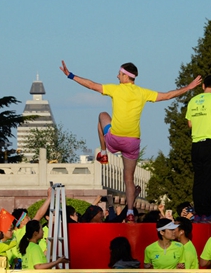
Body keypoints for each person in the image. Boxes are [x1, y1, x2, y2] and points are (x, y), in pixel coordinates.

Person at [60, 60, 202, 222]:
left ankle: (104, 152)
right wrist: (188, 88)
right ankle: (129, 212)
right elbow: (168, 95)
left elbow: (91, 85)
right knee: (129, 179)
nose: (117, 76)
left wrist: (71, 75)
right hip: (132, 143)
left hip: (115, 138)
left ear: (126, 76)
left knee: (102, 115)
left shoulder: (116, 89)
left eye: (119, 74)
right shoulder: (143, 92)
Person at [185, 74, 211, 221]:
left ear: (203, 86)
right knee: (209, 178)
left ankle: (198, 210)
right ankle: (206, 211)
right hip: (210, 142)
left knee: (198, 178)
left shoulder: (193, 100)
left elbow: (190, 124)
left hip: (196, 143)